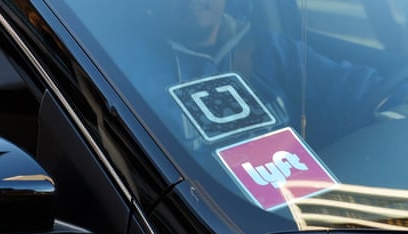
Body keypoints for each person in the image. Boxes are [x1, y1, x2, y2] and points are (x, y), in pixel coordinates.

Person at [113, 0, 407, 150]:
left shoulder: (272, 50)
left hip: (297, 210)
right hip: (208, 223)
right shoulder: (130, 69)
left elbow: (365, 91)